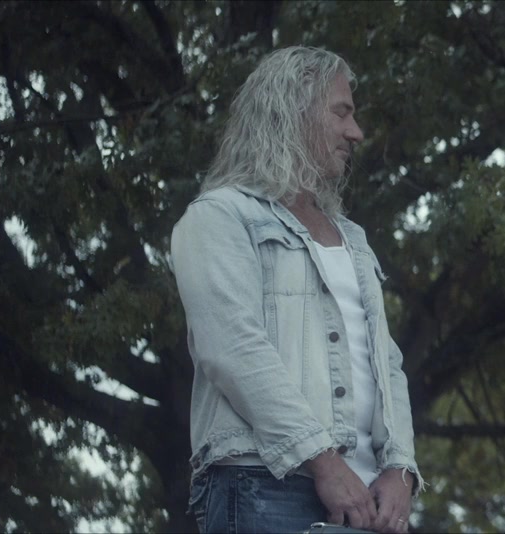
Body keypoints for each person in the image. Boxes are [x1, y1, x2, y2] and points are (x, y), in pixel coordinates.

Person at [171, 46, 425, 533]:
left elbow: (386, 364)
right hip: (264, 483)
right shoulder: (219, 216)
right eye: (341, 113)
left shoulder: (353, 238)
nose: (356, 132)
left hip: (366, 498)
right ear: (292, 111)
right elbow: (233, 347)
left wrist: (401, 468)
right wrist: (323, 462)